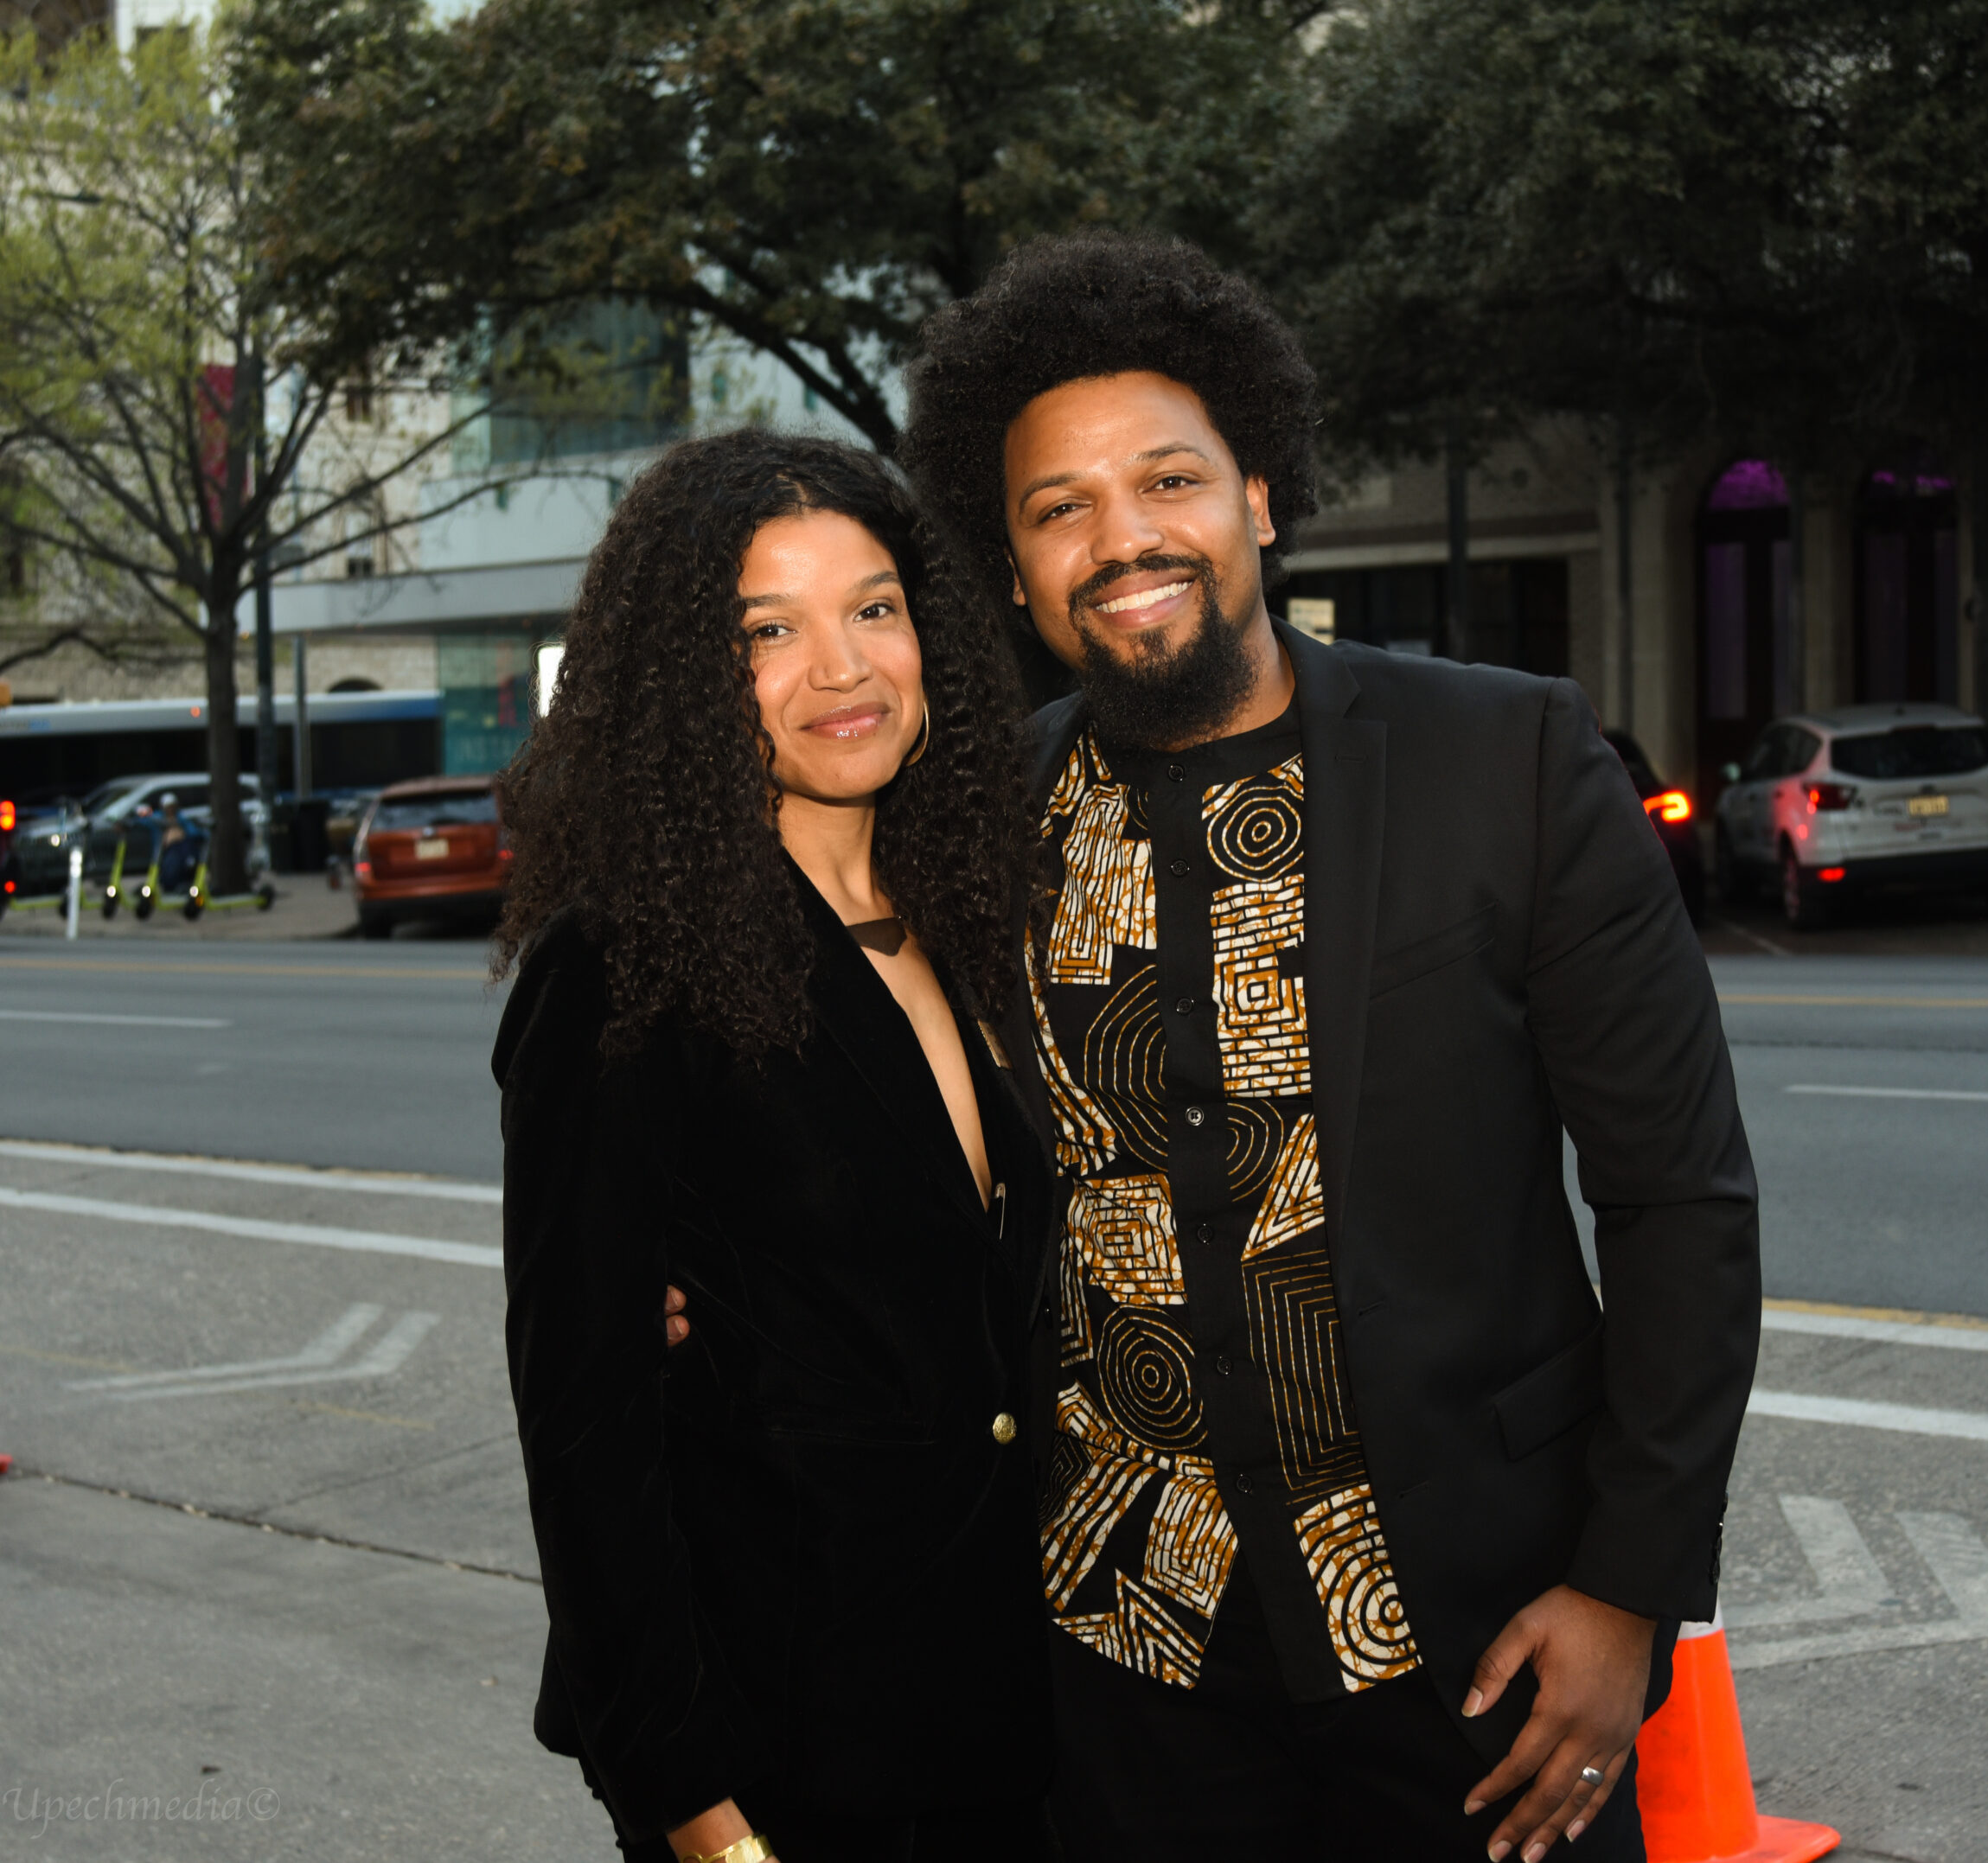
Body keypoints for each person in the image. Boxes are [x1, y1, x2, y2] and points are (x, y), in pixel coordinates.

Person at [887, 233, 1764, 1863]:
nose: (1123, 539)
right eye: (1060, 509)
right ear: (1011, 570)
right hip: (1126, 1654)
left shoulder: (1507, 760)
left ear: (1259, 497)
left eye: (1169, 480)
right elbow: (877, 1125)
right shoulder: (976, 821)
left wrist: (1628, 1592)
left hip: (1479, 1643)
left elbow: (1680, 1202)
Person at [489, 431, 1057, 1863]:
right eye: (769, 631)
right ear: (685, 676)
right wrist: (692, 1806)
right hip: (785, 1749)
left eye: (873, 608)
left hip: (1013, 1717)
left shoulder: (974, 913)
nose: (842, 670)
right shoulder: (621, 967)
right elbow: (586, 1431)